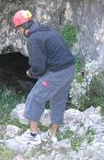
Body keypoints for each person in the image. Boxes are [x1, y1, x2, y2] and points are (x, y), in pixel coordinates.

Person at [12, 10, 75, 145]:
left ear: (22, 28)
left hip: (57, 72)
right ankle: (52, 134)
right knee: (58, 100)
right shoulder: (46, 31)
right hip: (69, 69)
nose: (19, 32)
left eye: (18, 29)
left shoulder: (34, 39)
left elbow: (38, 67)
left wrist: (30, 73)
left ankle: (33, 135)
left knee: (35, 98)